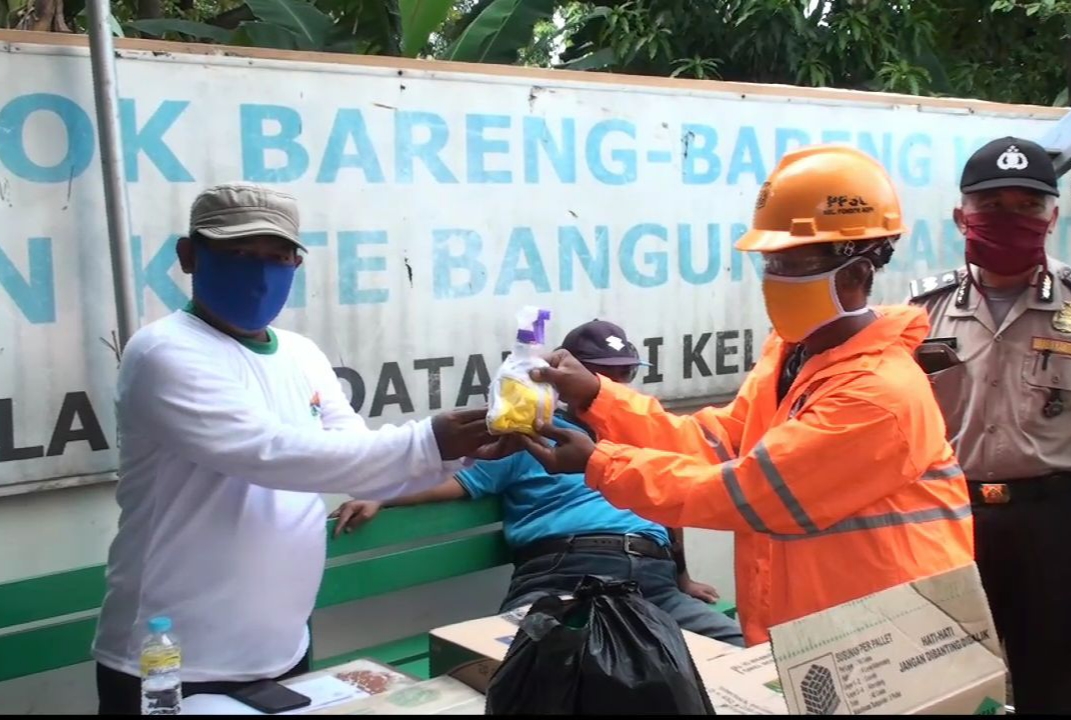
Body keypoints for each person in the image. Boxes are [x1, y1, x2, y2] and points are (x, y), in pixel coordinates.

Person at [514, 145, 976, 648]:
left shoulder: (879, 394)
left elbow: (750, 493)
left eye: (795, 263)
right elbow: (713, 443)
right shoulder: (792, 359)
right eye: (771, 262)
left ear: (858, 274)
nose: (776, 279)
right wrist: (598, 397)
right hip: (820, 633)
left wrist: (599, 464)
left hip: (895, 636)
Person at [92, 183, 510, 714]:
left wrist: (465, 450)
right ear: (189, 256)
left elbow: (360, 464)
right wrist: (432, 439)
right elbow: (270, 454)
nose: (260, 271)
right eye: (239, 254)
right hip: (171, 659)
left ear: (296, 263)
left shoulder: (301, 353)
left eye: (277, 257)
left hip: (280, 648)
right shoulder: (164, 352)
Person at [331, 320, 744, 646]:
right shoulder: (531, 433)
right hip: (560, 576)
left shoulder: (645, 430)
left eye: (624, 374)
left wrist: (682, 576)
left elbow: (669, 502)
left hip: (650, 578)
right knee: (527, 673)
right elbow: (457, 481)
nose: (614, 386)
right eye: (602, 374)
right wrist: (383, 494)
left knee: (749, 660)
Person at [907, 136, 1071, 714]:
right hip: (948, 516)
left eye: (1026, 205)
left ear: (1051, 216)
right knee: (945, 677)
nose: (1009, 218)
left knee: (1051, 676)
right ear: (961, 216)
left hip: (1054, 520)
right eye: (991, 205)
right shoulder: (919, 313)